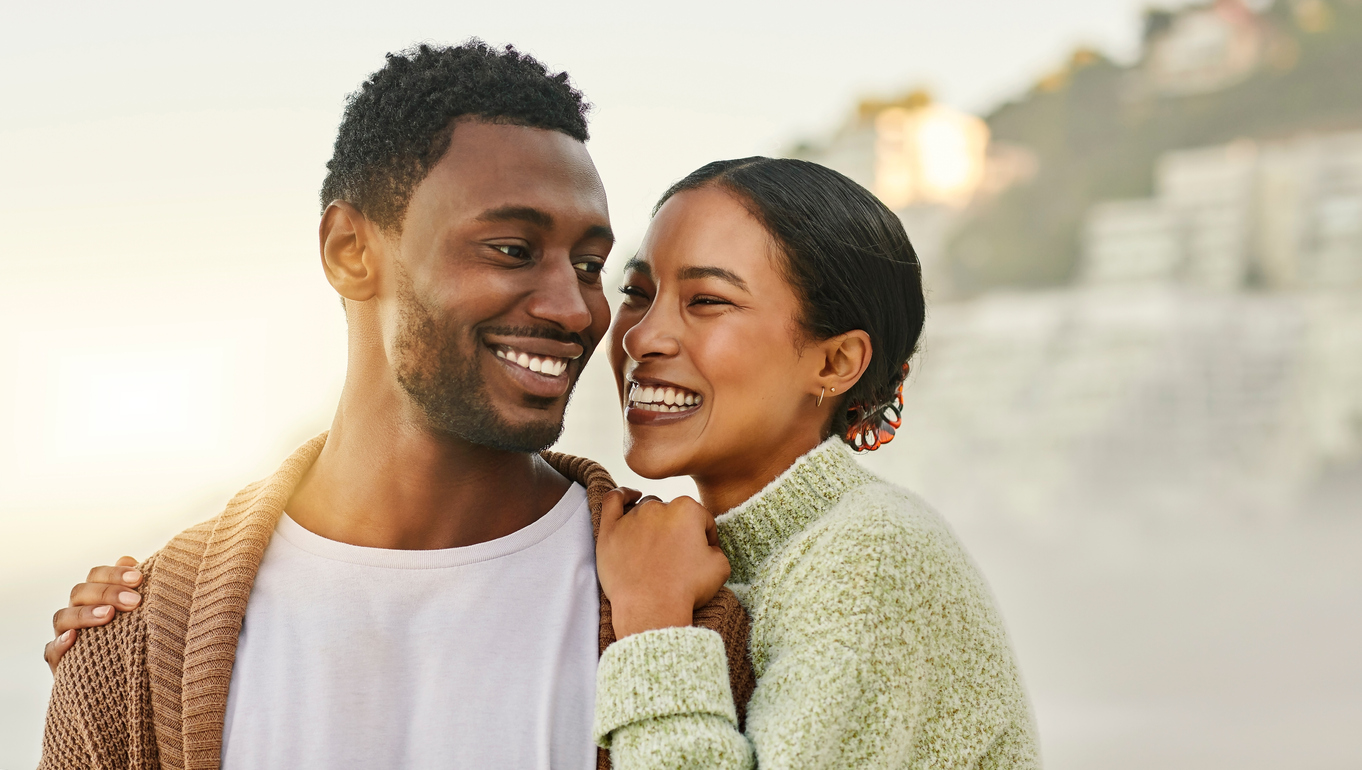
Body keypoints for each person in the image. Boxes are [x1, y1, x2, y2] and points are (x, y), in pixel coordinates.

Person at [54, 157, 1040, 767]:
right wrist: (154, 614)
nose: (639, 335)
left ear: (835, 361)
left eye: (707, 301)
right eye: (642, 291)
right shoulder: (732, 552)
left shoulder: (868, 557)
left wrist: (653, 627)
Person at [37, 41, 753, 770]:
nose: (574, 309)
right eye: (511, 249)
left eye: (589, 266)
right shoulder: (133, 647)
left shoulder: (690, 613)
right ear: (351, 249)